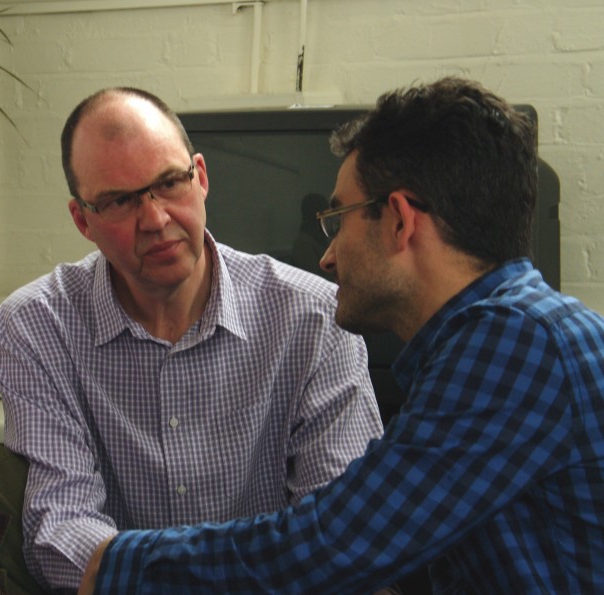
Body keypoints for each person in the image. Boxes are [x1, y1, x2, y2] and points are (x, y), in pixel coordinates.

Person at [78, 77, 604, 594]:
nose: (326, 257)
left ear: (399, 221)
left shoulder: (513, 341)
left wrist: (120, 564)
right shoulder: (517, 330)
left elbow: (336, 543)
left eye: (338, 220)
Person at [0, 87, 384, 591]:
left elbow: (342, 534)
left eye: (170, 183)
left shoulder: (316, 319)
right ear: (83, 220)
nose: (155, 220)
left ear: (201, 177)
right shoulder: (34, 327)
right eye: (119, 201)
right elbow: (60, 529)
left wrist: (159, 575)